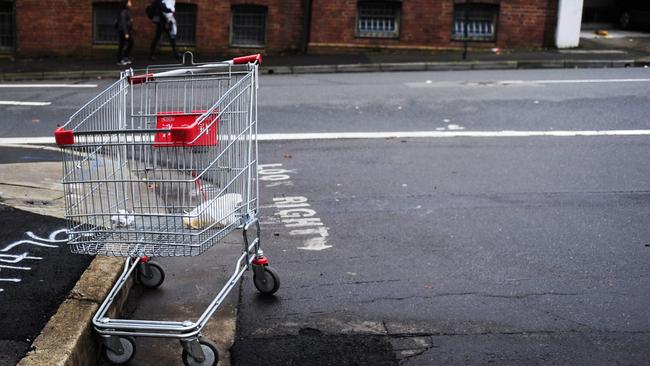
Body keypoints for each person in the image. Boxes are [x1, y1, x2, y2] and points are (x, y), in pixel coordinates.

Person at [116, 0, 134, 66]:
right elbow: (123, 23)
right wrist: (126, 33)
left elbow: (128, 21)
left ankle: (125, 57)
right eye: (129, 2)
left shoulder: (127, 11)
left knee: (131, 43)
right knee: (122, 45)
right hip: (123, 31)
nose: (130, 3)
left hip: (126, 31)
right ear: (126, 4)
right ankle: (120, 60)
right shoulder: (123, 12)